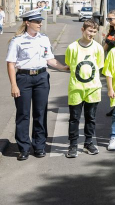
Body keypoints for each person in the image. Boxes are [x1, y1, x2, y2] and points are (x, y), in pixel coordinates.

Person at [6, 9, 70, 161]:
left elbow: (50, 59)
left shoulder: (44, 39)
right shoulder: (17, 40)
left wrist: (64, 67)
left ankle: (39, 146)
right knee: (23, 114)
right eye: (36, 21)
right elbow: (11, 64)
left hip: (41, 77)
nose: (40, 23)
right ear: (27, 22)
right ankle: (23, 148)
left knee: (40, 112)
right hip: (23, 78)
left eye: (40, 21)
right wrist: (13, 85)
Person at [64, 20, 105, 158]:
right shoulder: (72, 47)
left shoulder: (98, 48)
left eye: (94, 32)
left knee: (91, 117)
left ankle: (88, 143)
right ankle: (73, 145)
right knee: (74, 118)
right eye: (89, 31)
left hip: (92, 88)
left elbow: (99, 65)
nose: (92, 34)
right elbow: (70, 63)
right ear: (83, 30)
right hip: (76, 88)